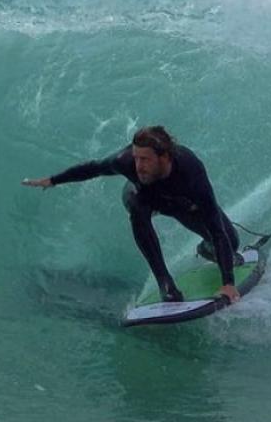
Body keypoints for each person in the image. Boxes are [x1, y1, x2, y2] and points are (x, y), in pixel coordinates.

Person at [22, 126, 243, 304]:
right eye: (136, 158)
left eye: (145, 159)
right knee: (136, 204)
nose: (138, 165)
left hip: (180, 203)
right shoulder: (125, 161)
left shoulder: (191, 171)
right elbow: (93, 168)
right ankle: (165, 283)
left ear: (164, 157)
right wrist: (52, 180)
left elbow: (215, 224)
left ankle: (207, 249)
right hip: (144, 196)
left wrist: (228, 283)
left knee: (230, 242)